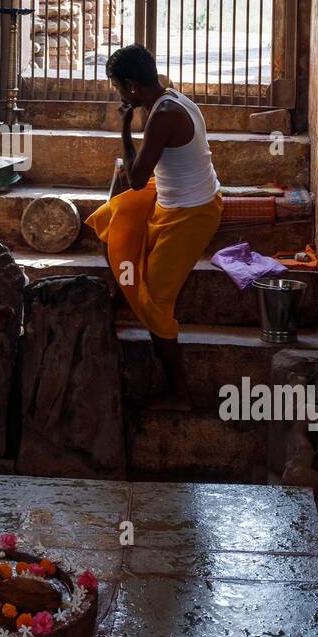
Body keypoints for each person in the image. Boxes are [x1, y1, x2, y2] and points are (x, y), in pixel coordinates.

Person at [86, 44, 222, 410]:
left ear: (131, 86)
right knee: (111, 217)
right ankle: (124, 288)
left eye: (117, 89)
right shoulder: (163, 92)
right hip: (167, 193)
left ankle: (181, 394)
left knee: (155, 305)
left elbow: (134, 177)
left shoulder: (163, 115)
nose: (119, 96)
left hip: (191, 212)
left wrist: (124, 128)